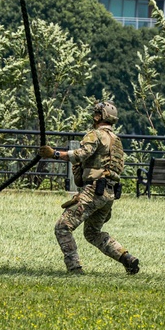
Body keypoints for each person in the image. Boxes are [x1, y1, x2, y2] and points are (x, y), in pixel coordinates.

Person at [38, 101, 139, 276]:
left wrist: (54, 154)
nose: (94, 116)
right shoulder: (116, 141)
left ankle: (75, 268)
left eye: (96, 113)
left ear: (99, 116)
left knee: (62, 227)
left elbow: (80, 154)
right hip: (109, 193)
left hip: (94, 191)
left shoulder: (95, 135)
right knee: (92, 233)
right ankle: (126, 259)